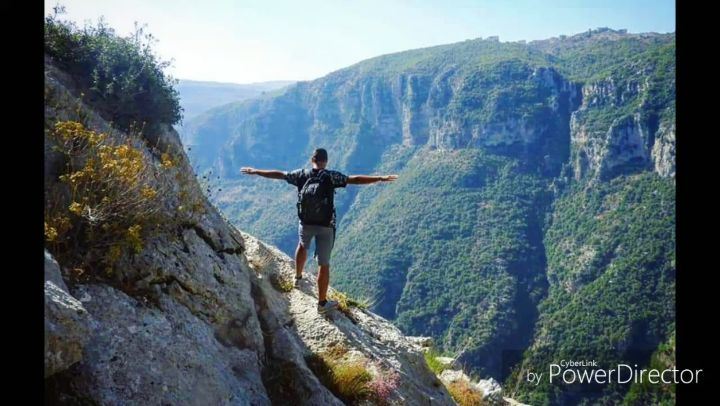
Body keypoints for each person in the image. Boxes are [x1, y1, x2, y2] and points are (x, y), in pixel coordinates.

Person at [241, 148, 398, 313]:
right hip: (326, 226)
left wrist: (257, 171)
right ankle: (322, 304)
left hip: (306, 222)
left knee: (302, 245)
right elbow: (355, 179)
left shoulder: (301, 174)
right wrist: (380, 178)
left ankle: (298, 278)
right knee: (324, 264)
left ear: (312, 159)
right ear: (326, 161)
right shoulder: (331, 176)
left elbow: (280, 174)